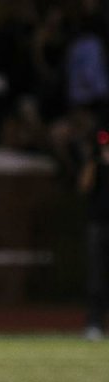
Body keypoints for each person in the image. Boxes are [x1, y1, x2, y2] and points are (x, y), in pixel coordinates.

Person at [78, 126, 109, 340]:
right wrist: (93, 160)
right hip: (98, 226)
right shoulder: (96, 164)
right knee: (96, 277)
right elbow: (84, 186)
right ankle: (94, 324)